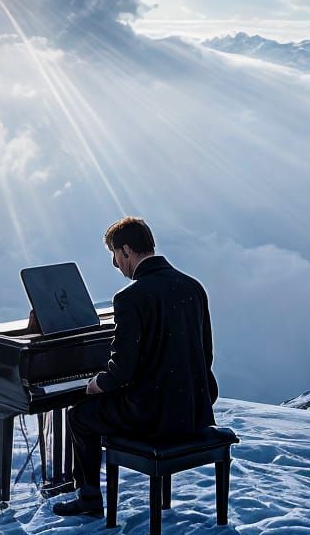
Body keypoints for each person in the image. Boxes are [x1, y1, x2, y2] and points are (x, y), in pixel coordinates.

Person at [53, 216, 218, 518]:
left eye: (115, 255)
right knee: (100, 409)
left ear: (126, 250)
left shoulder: (131, 297)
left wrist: (97, 383)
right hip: (193, 409)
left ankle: (89, 497)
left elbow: (123, 370)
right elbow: (205, 355)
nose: (116, 265)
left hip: (152, 416)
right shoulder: (193, 287)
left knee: (79, 415)